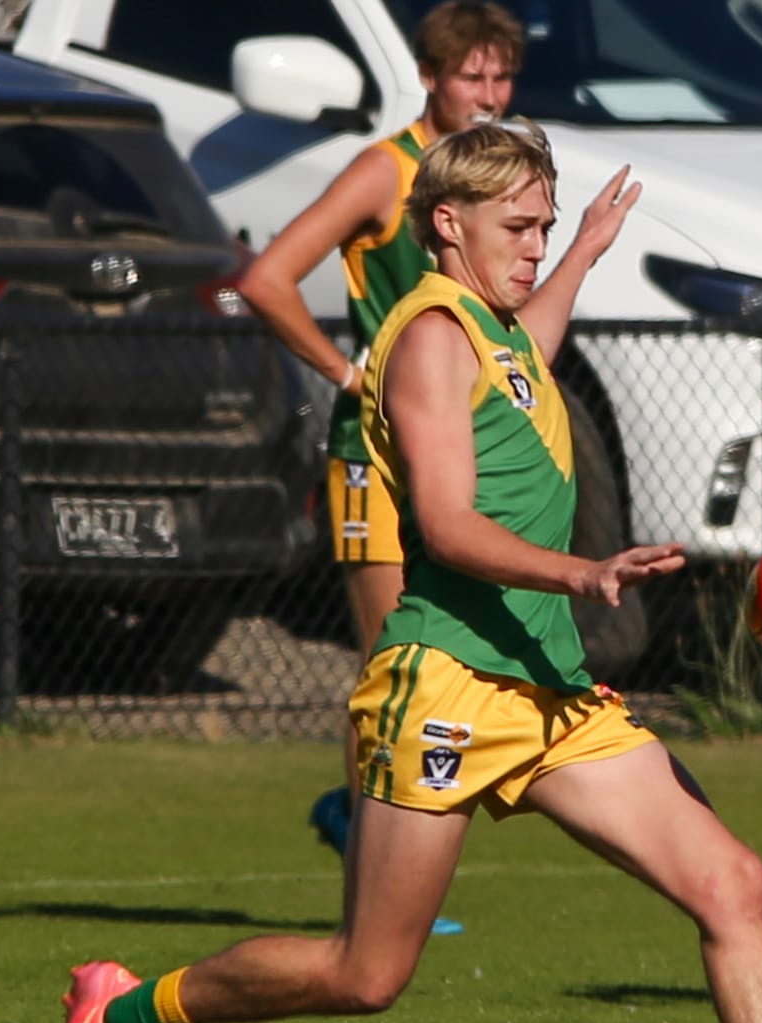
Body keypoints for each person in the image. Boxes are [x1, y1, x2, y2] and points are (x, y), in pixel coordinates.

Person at [43, 122, 762, 1023]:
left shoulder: (489, 330)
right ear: (447, 223)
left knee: (730, 882)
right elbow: (443, 525)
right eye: (519, 227)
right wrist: (582, 567)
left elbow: (529, 342)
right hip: (445, 682)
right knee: (366, 972)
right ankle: (125, 1012)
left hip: (548, 690)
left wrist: (585, 249)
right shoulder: (430, 342)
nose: (534, 245)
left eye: (543, 224)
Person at [239, 2, 612, 934]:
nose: (487, 96)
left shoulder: (502, 192)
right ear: (430, 77)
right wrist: (344, 370)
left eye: (500, 80)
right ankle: (373, 864)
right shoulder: (386, 169)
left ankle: (376, 831)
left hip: (462, 436)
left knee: (447, 646)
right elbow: (267, 276)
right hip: (379, 459)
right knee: (399, 657)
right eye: (470, 79)